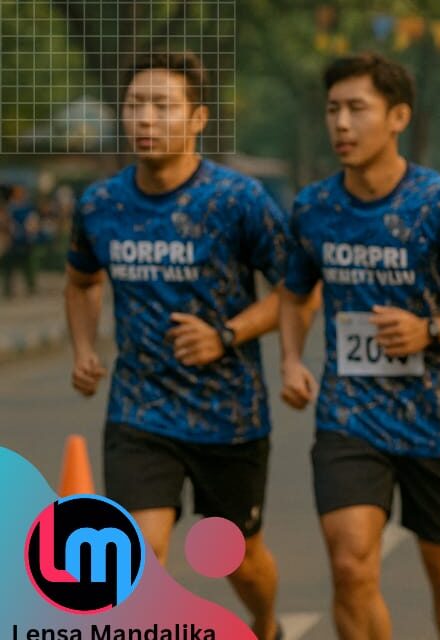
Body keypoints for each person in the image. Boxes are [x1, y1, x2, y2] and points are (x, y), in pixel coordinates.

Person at [278, 52, 440, 640]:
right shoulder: (314, 207)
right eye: (332, 109)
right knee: (348, 562)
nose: (340, 123)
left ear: (398, 117)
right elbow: (293, 292)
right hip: (349, 412)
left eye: (357, 109)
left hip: (437, 416)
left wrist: (430, 329)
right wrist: (289, 358)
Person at [63, 51, 298, 640]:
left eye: (163, 106)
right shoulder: (100, 205)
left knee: (239, 560)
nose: (145, 117)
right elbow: (81, 280)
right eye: (136, 104)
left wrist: (227, 335)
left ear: (198, 118)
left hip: (229, 416)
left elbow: (295, 290)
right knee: (139, 557)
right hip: (140, 410)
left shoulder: (238, 201)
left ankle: (266, 624)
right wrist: (83, 348)